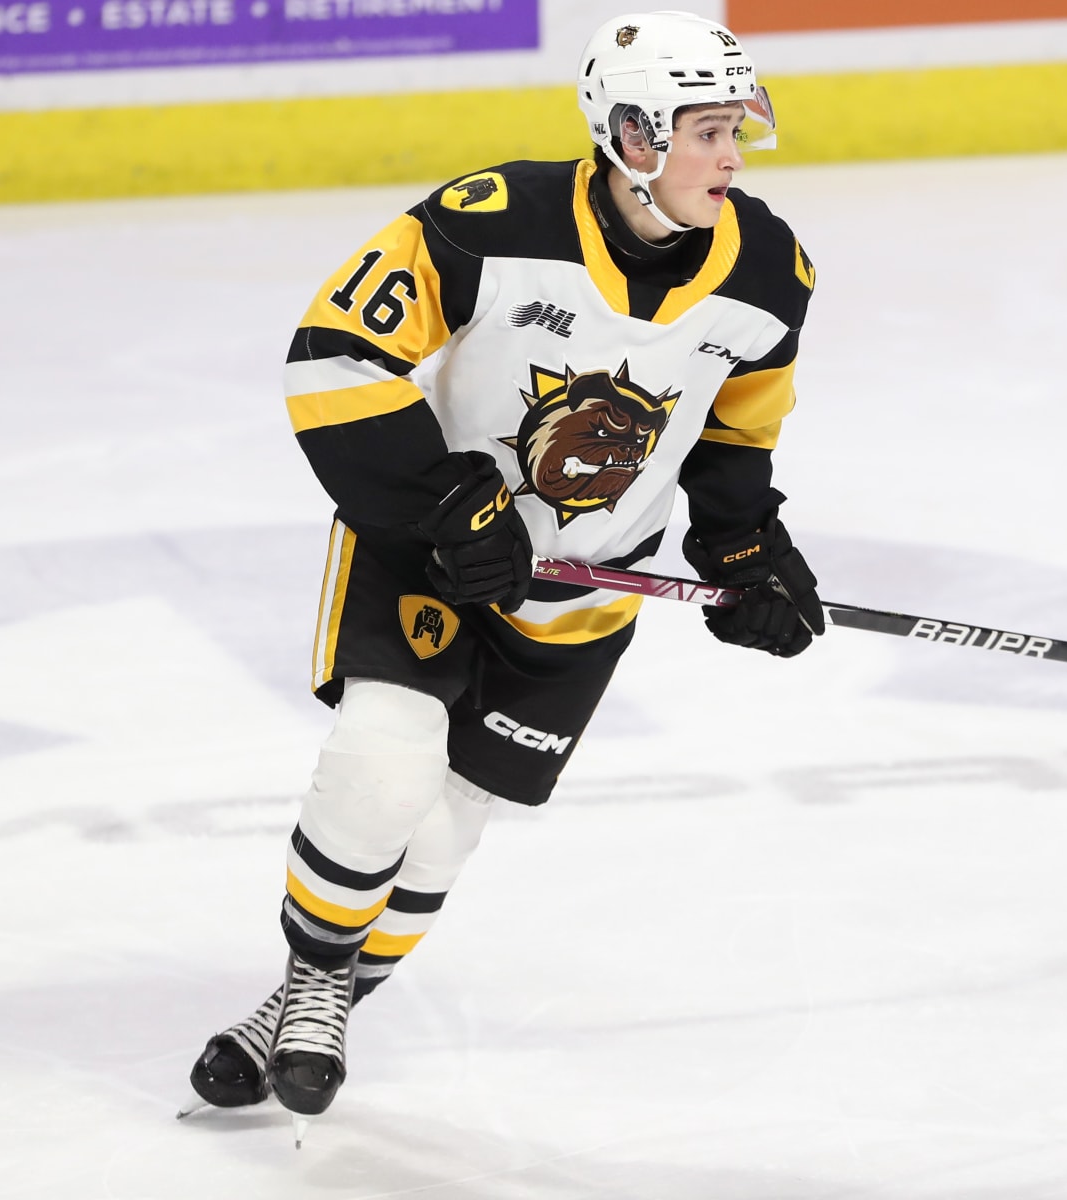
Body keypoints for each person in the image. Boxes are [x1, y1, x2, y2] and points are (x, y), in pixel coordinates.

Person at [179, 10, 824, 1143]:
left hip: (582, 603)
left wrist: (745, 551)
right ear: (631, 134)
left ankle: (297, 998)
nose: (733, 156)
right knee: (383, 764)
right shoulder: (493, 220)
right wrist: (439, 497)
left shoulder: (769, 270)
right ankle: (318, 980)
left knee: (443, 834)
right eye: (707, 131)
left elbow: (735, 434)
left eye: (738, 128)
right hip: (431, 559)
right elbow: (335, 354)